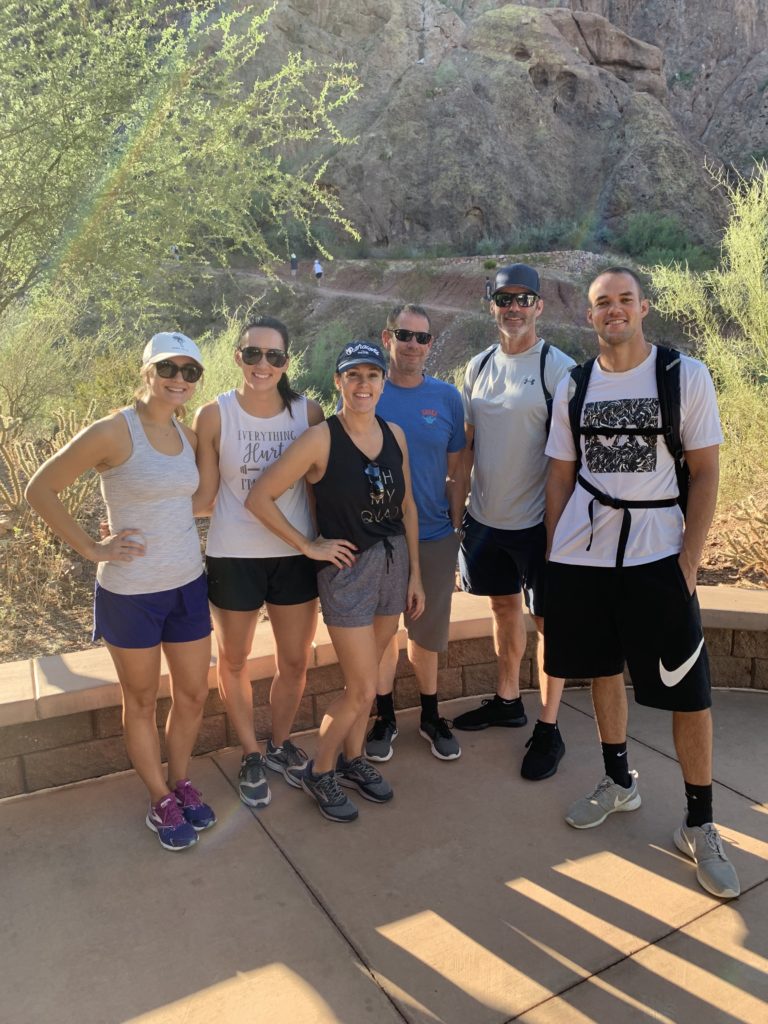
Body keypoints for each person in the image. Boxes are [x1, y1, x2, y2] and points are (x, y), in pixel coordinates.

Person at [543, 266, 740, 899]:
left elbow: (706, 472)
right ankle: (618, 781)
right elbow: (559, 476)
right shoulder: (574, 386)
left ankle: (701, 821)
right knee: (601, 671)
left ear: (644, 307)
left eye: (625, 299)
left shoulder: (684, 377)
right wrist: (555, 563)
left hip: (659, 556)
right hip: (586, 558)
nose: (614, 310)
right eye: (603, 303)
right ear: (590, 316)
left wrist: (688, 562)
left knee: (688, 692)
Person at [25, 332, 215, 852]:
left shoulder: (188, 435)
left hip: (187, 585)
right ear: (147, 370)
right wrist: (92, 548)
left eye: (190, 371)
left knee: (194, 694)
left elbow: (195, 501)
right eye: (168, 367)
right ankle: (159, 799)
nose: (178, 378)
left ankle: (181, 781)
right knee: (140, 699)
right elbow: (39, 488)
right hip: (131, 592)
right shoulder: (114, 431)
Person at [246, 341, 425, 823]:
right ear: (338, 383)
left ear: (383, 382)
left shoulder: (395, 435)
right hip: (348, 573)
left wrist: (417, 577)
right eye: (354, 376)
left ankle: (353, 761)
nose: (363, 385)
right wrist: (310, 545)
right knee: (364, 689)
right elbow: (260, 497)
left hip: (393, 567)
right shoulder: (321, 439)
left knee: (362, 682)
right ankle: (318, 770)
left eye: (372, 375)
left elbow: (406, 505)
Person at [194, 316, 324, 810]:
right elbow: (205, 495)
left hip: (294, 555)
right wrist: (135, 520)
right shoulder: (215, 415)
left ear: (287, 362)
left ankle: (279, 743)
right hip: (234, 554)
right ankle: (250, 751)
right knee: (233, 660)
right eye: (253, 354)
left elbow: (319, 490)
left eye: (273, 356)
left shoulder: (307, 414)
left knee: (295, 661)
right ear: (237, 357)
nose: (263, 365)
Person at [454, 264, 576, 781]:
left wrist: (561, 527)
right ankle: (508, 699)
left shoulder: (557, 367)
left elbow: (570, 457)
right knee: (503, 607)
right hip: (485, 518)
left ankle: (549, 727)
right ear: (492, 304)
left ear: (539, 307)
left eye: (524, 298)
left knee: (550, 623)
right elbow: (466, 450)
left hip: (539, 524)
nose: (514, 307)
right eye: (505, 298)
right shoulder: (477, 367)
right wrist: (456, 513)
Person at [364, 304, 465, 762]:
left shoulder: (446, 398)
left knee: (425, 636)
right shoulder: (366, 395)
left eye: (422, 338)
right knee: (382, 634)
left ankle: (430, 714)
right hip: (379, 539)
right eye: (405, 334)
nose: (413, 344)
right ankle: (384, 717)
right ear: (388, 337)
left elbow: (457, 467)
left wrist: (457, 523)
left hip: (434, 536)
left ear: (430, 345)